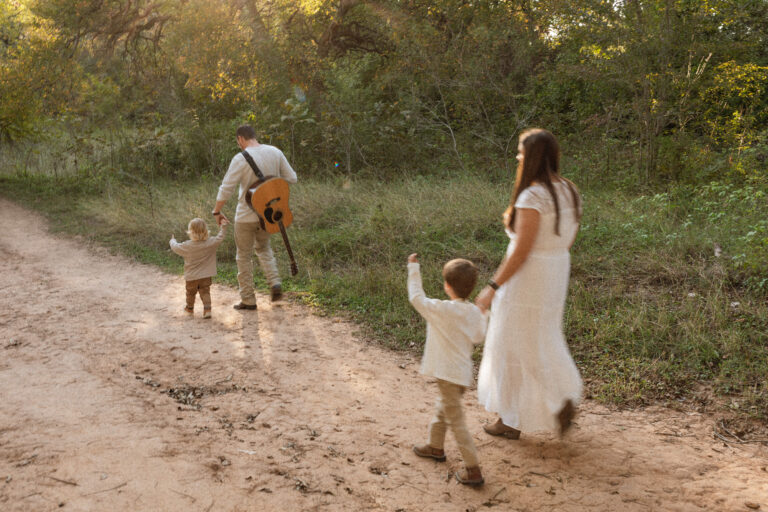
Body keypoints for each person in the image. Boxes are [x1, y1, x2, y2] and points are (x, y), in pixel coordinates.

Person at [475, 128, 583, 439]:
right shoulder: (570, 191)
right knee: (544, 336)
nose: (518, 157)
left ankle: (511, 419)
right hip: (556, 270)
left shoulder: (532, 196)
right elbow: (568, 239)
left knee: (510, 342)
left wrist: (492, 287)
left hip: (529, 276)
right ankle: (559, 399)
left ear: (532, 157)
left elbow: (522, 252)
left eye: (521, 152)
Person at [407, 253, 488, 486]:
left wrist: (413, 268)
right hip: (460, 376)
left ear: (447, 286)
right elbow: (479, 336)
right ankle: (435, 446)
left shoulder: (440, 309)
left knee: (456, 421)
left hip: (447, 374)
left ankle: (473, 469)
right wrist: (484, 315)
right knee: (443, 407)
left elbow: (416, 297)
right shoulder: (473, 312)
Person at [212, 125, 298, 310]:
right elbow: (292, 178)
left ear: (241, 139)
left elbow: (226, 188)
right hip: (267, 216)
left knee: (243, 256)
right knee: (264, 248)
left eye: (238, 143)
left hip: (245, 216)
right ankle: (275, 283)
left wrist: (217, 211)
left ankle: (248, 300)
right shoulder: (275, 152)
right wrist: (272, 188)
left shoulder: (240, 158)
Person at [170, 217, 228, 319]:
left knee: (190, 293)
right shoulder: (210, 243)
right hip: (205, 275)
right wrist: (223, 226)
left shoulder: (187, 245)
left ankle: (190, 308)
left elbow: (175, 247)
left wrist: (172, 240)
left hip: (191, 276)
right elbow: (220, 237)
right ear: (206, 231)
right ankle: (207, 309)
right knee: (205, 291)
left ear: (190, 232)